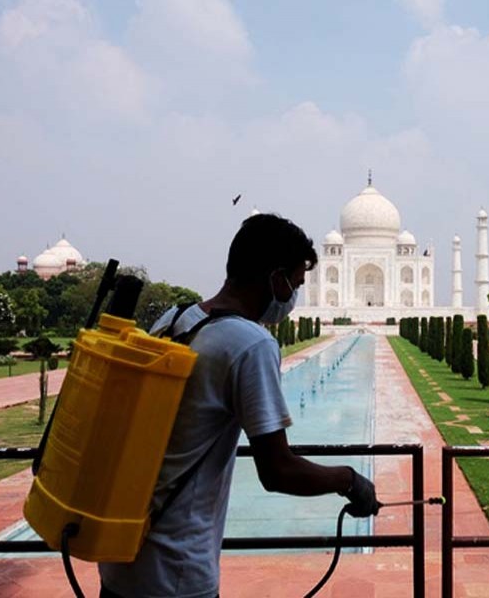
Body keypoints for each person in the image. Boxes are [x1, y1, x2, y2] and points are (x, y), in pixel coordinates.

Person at [99, 214, 379, 598]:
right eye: (295, 283)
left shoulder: (176, 319)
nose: (293, 296)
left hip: (120, 560)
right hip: (177, 573)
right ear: (276, 279)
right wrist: (349, 479)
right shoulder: (250, 343)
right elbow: (277, 470)